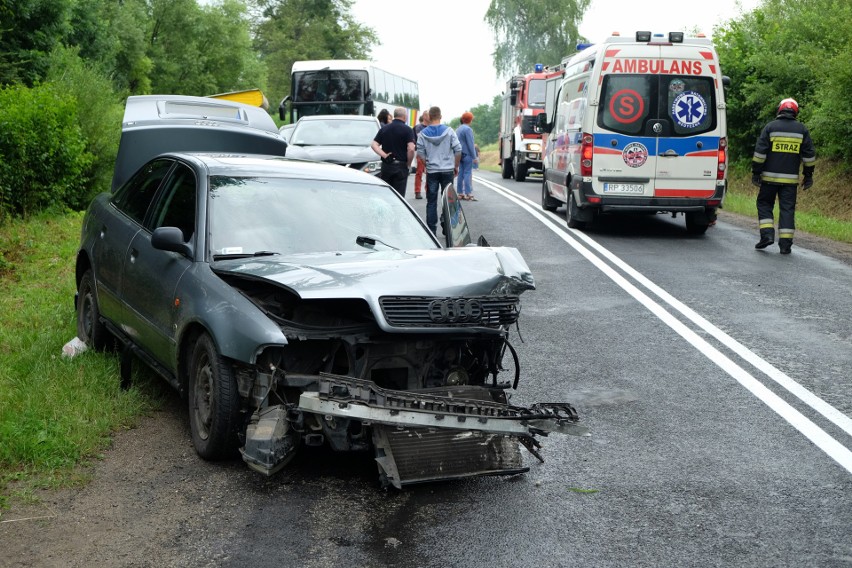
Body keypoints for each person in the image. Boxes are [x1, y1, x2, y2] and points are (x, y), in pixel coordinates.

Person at [751, 97, 816, 254]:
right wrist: (808, 176)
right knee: (787, 210)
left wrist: (756, 173)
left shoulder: (770, 127)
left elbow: (760, 153)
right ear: (795, 112)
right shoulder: (802, 130)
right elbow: (809, 156)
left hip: (769, 180)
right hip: (790, 182)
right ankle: (785, 245)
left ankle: (767, 235)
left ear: (779, 110)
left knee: (765, 204)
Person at [416, 106, 461, 235]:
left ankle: (431, 230)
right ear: (440, 116)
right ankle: (447, 225)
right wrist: (455, 166)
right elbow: (458, 149)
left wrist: (426, 164)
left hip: (432, 171)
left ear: (429, 117)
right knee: (448, 199)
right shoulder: (449, 131)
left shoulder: (422, 134)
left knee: (431, 201)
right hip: (447, 170)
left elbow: (420, 153)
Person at [371, 107, 416, 197]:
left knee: (386, 194)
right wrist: (409, 164)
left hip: (387, 165)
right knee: (399, 196)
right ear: (404, 116)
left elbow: (374, 145)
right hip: (401, 166)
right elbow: (411, 149)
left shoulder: (384, 129)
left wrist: (385, 155)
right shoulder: (408, 130)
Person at [456, 112, 477, 201]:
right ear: (470, 120)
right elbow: (470, 144)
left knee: (460, 173)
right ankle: (468, 193)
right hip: (467, 154)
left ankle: (460, 193)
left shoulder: (458, 129)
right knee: (468, 173)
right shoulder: (468, 129)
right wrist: (474, 156)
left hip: (459, 154)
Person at [412, 112, 429, 199]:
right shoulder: (419, 127)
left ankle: (428, 190)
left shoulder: (432, 127)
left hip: (430, 152)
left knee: (430, 172)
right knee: (419, 172)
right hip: (421, 151)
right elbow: (420, 138)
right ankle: (417, 191)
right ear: (424, 116)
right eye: (427, 115)